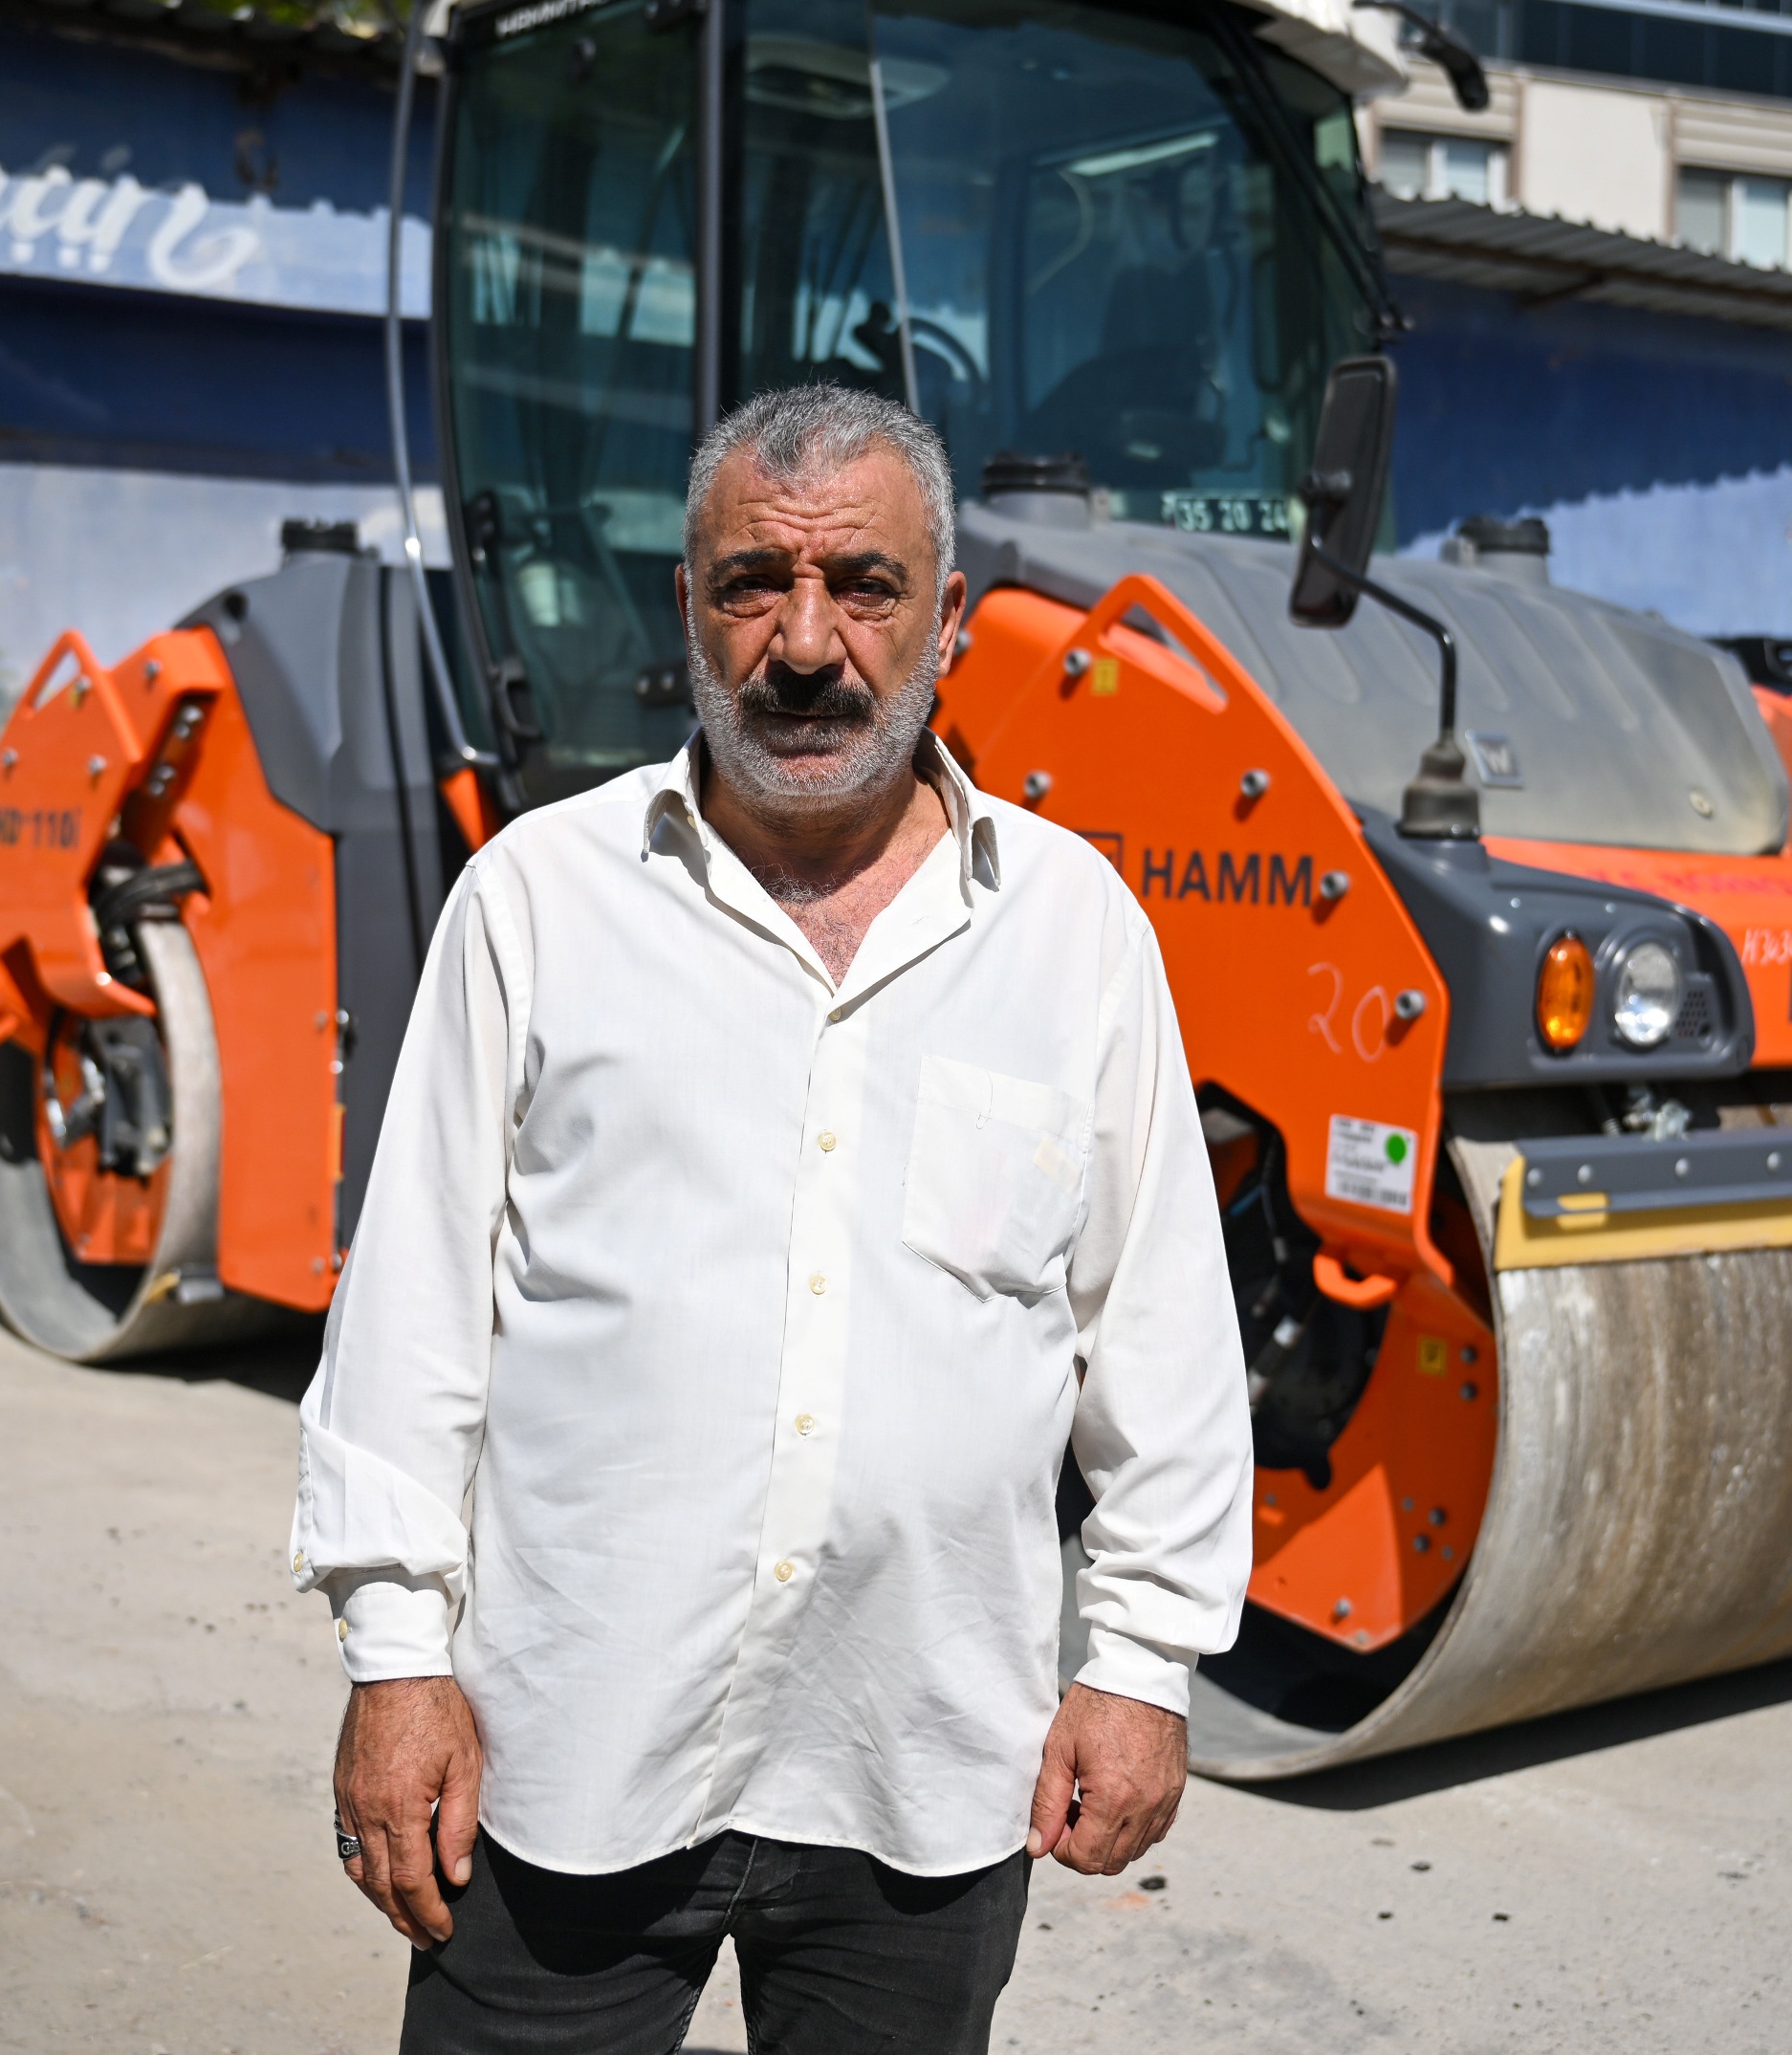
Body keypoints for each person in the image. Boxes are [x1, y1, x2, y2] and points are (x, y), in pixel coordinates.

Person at [290, 383, 1252, 2055]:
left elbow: (1157, 1330)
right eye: (755, 583)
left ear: (948, 618)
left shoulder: (1074, 931)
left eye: (864, 586)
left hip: (923, 1765)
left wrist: (1146, 1662)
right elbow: (413, 1320)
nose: (806, 643)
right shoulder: (538, 897)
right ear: (689, 606)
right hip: (565, 1751)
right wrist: (394, 1655)